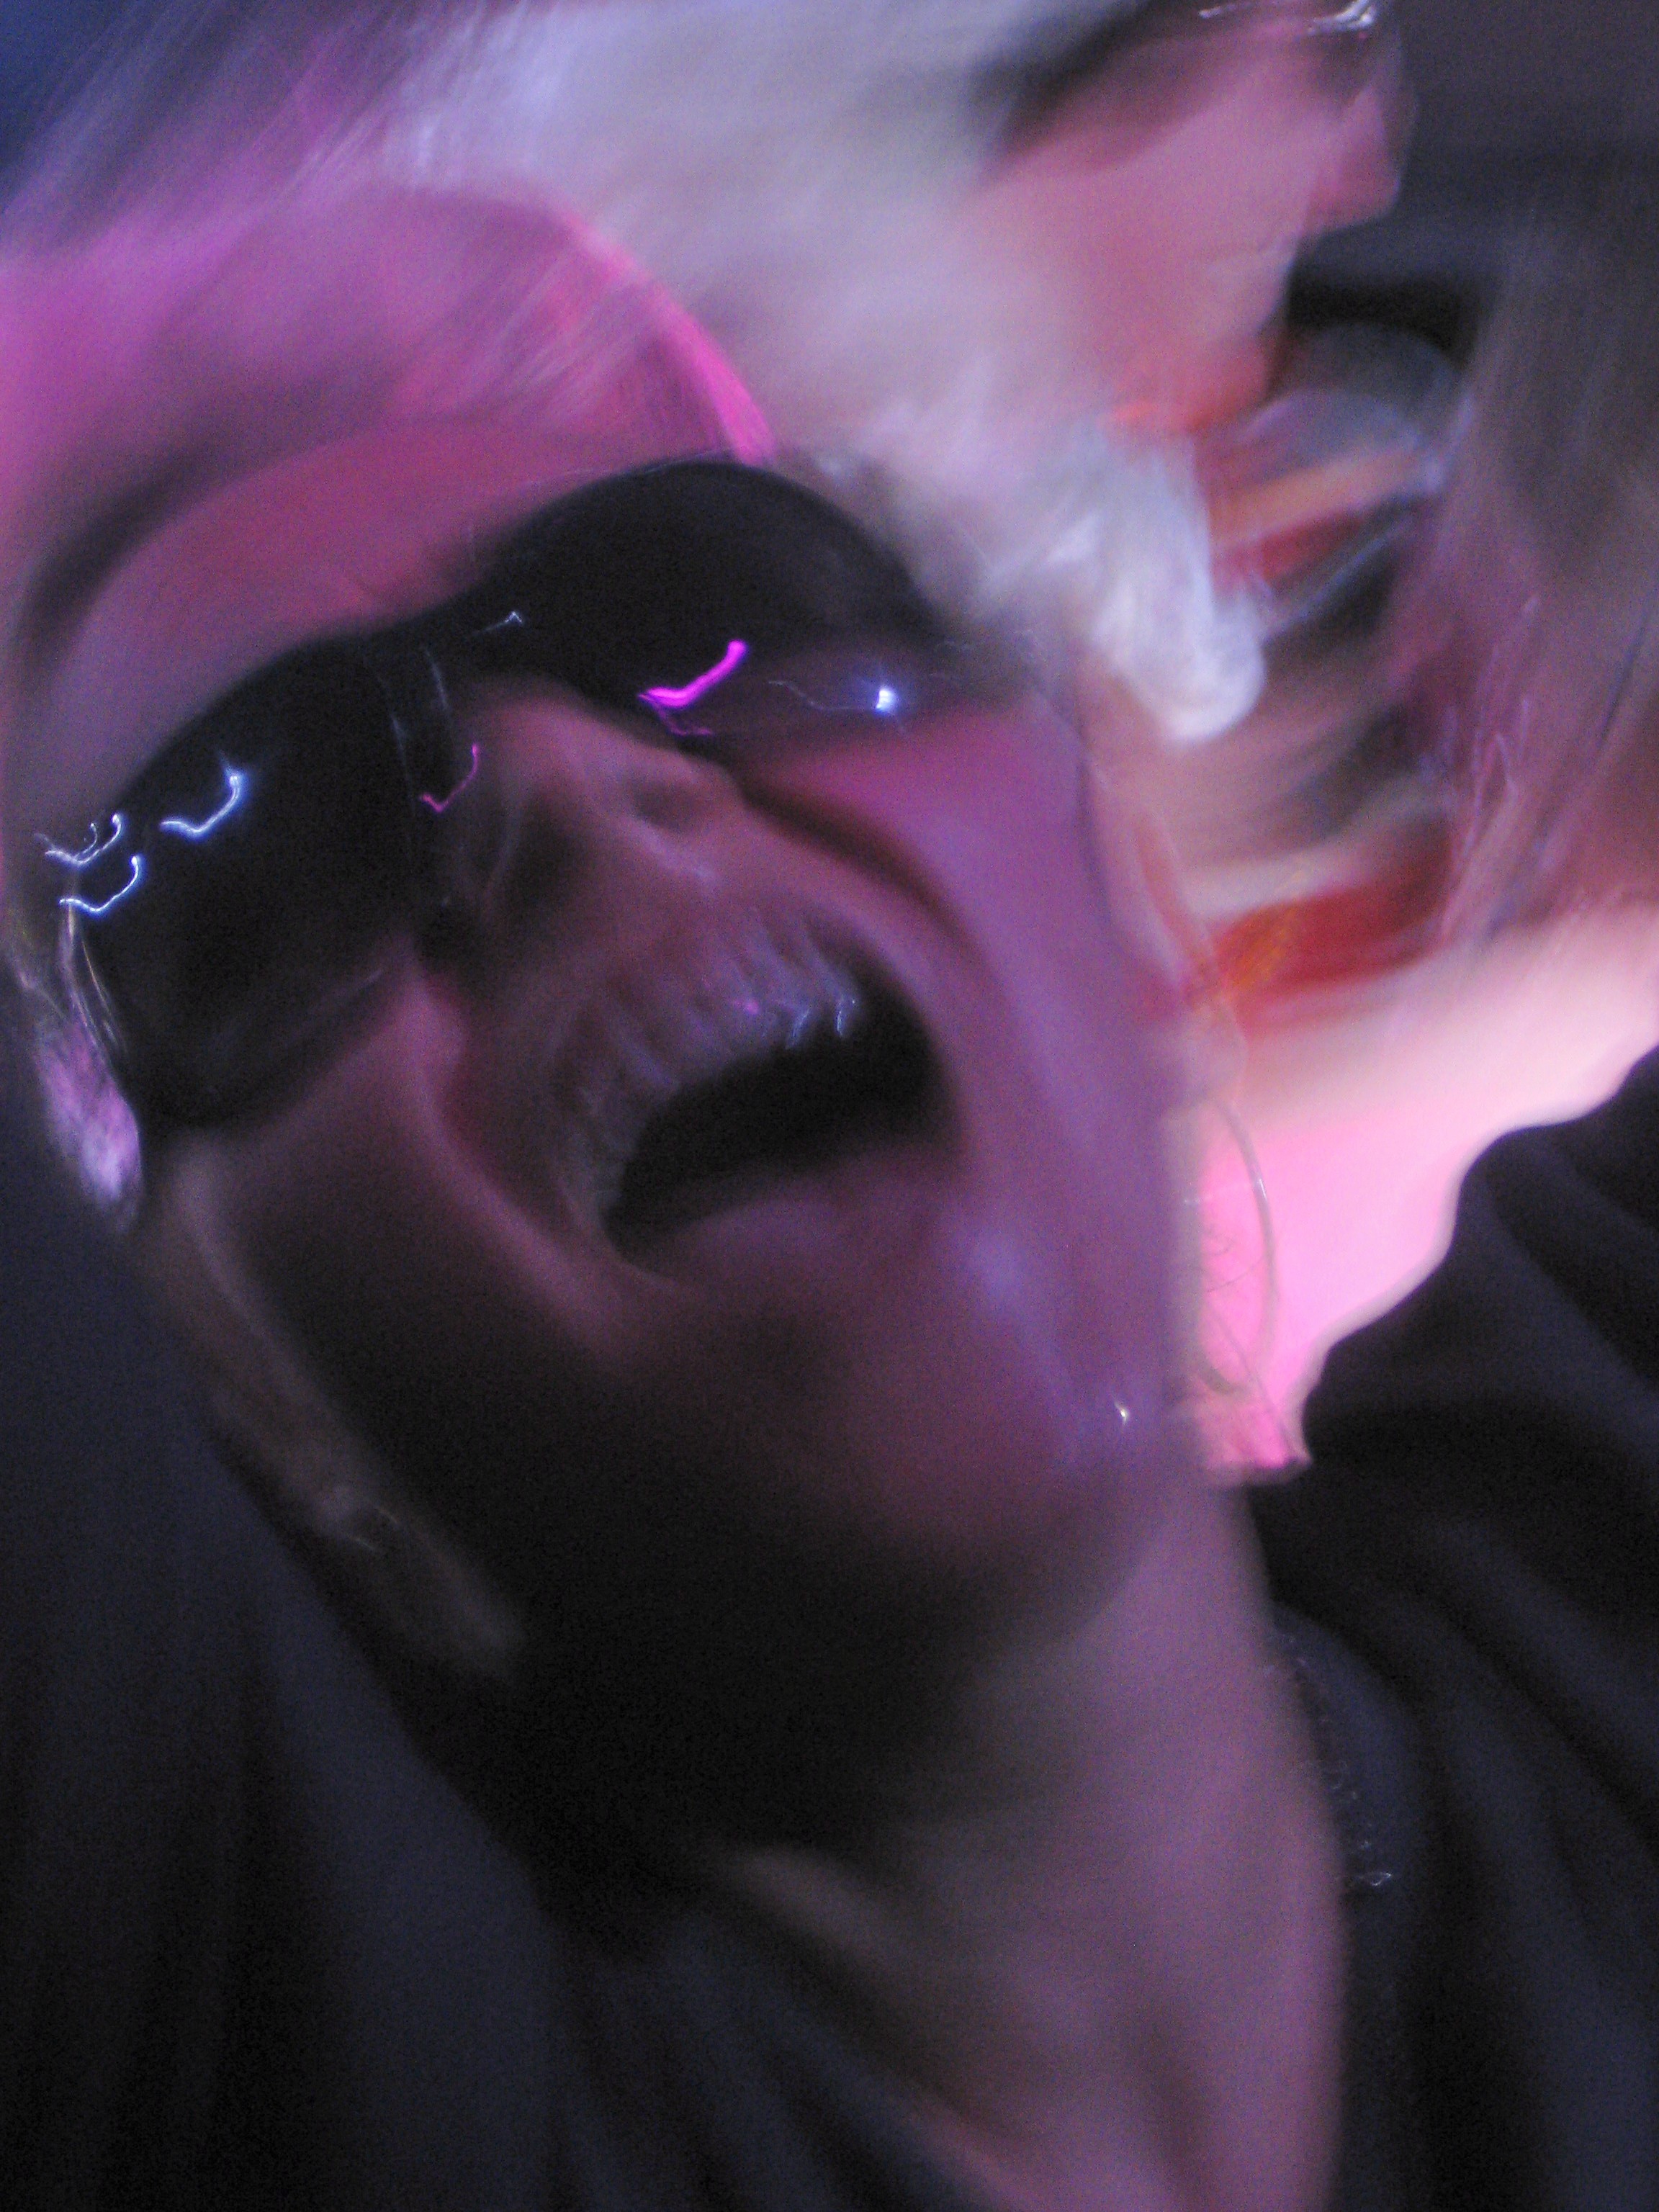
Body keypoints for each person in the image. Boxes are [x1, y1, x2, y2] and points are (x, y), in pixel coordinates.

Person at [3, 10, 1659, 2212]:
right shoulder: (271, 2037)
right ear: (242, 1395)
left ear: (1122, 898)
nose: (563, 781)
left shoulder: (1599, 1552)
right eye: (259, 838)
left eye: (707, 606)